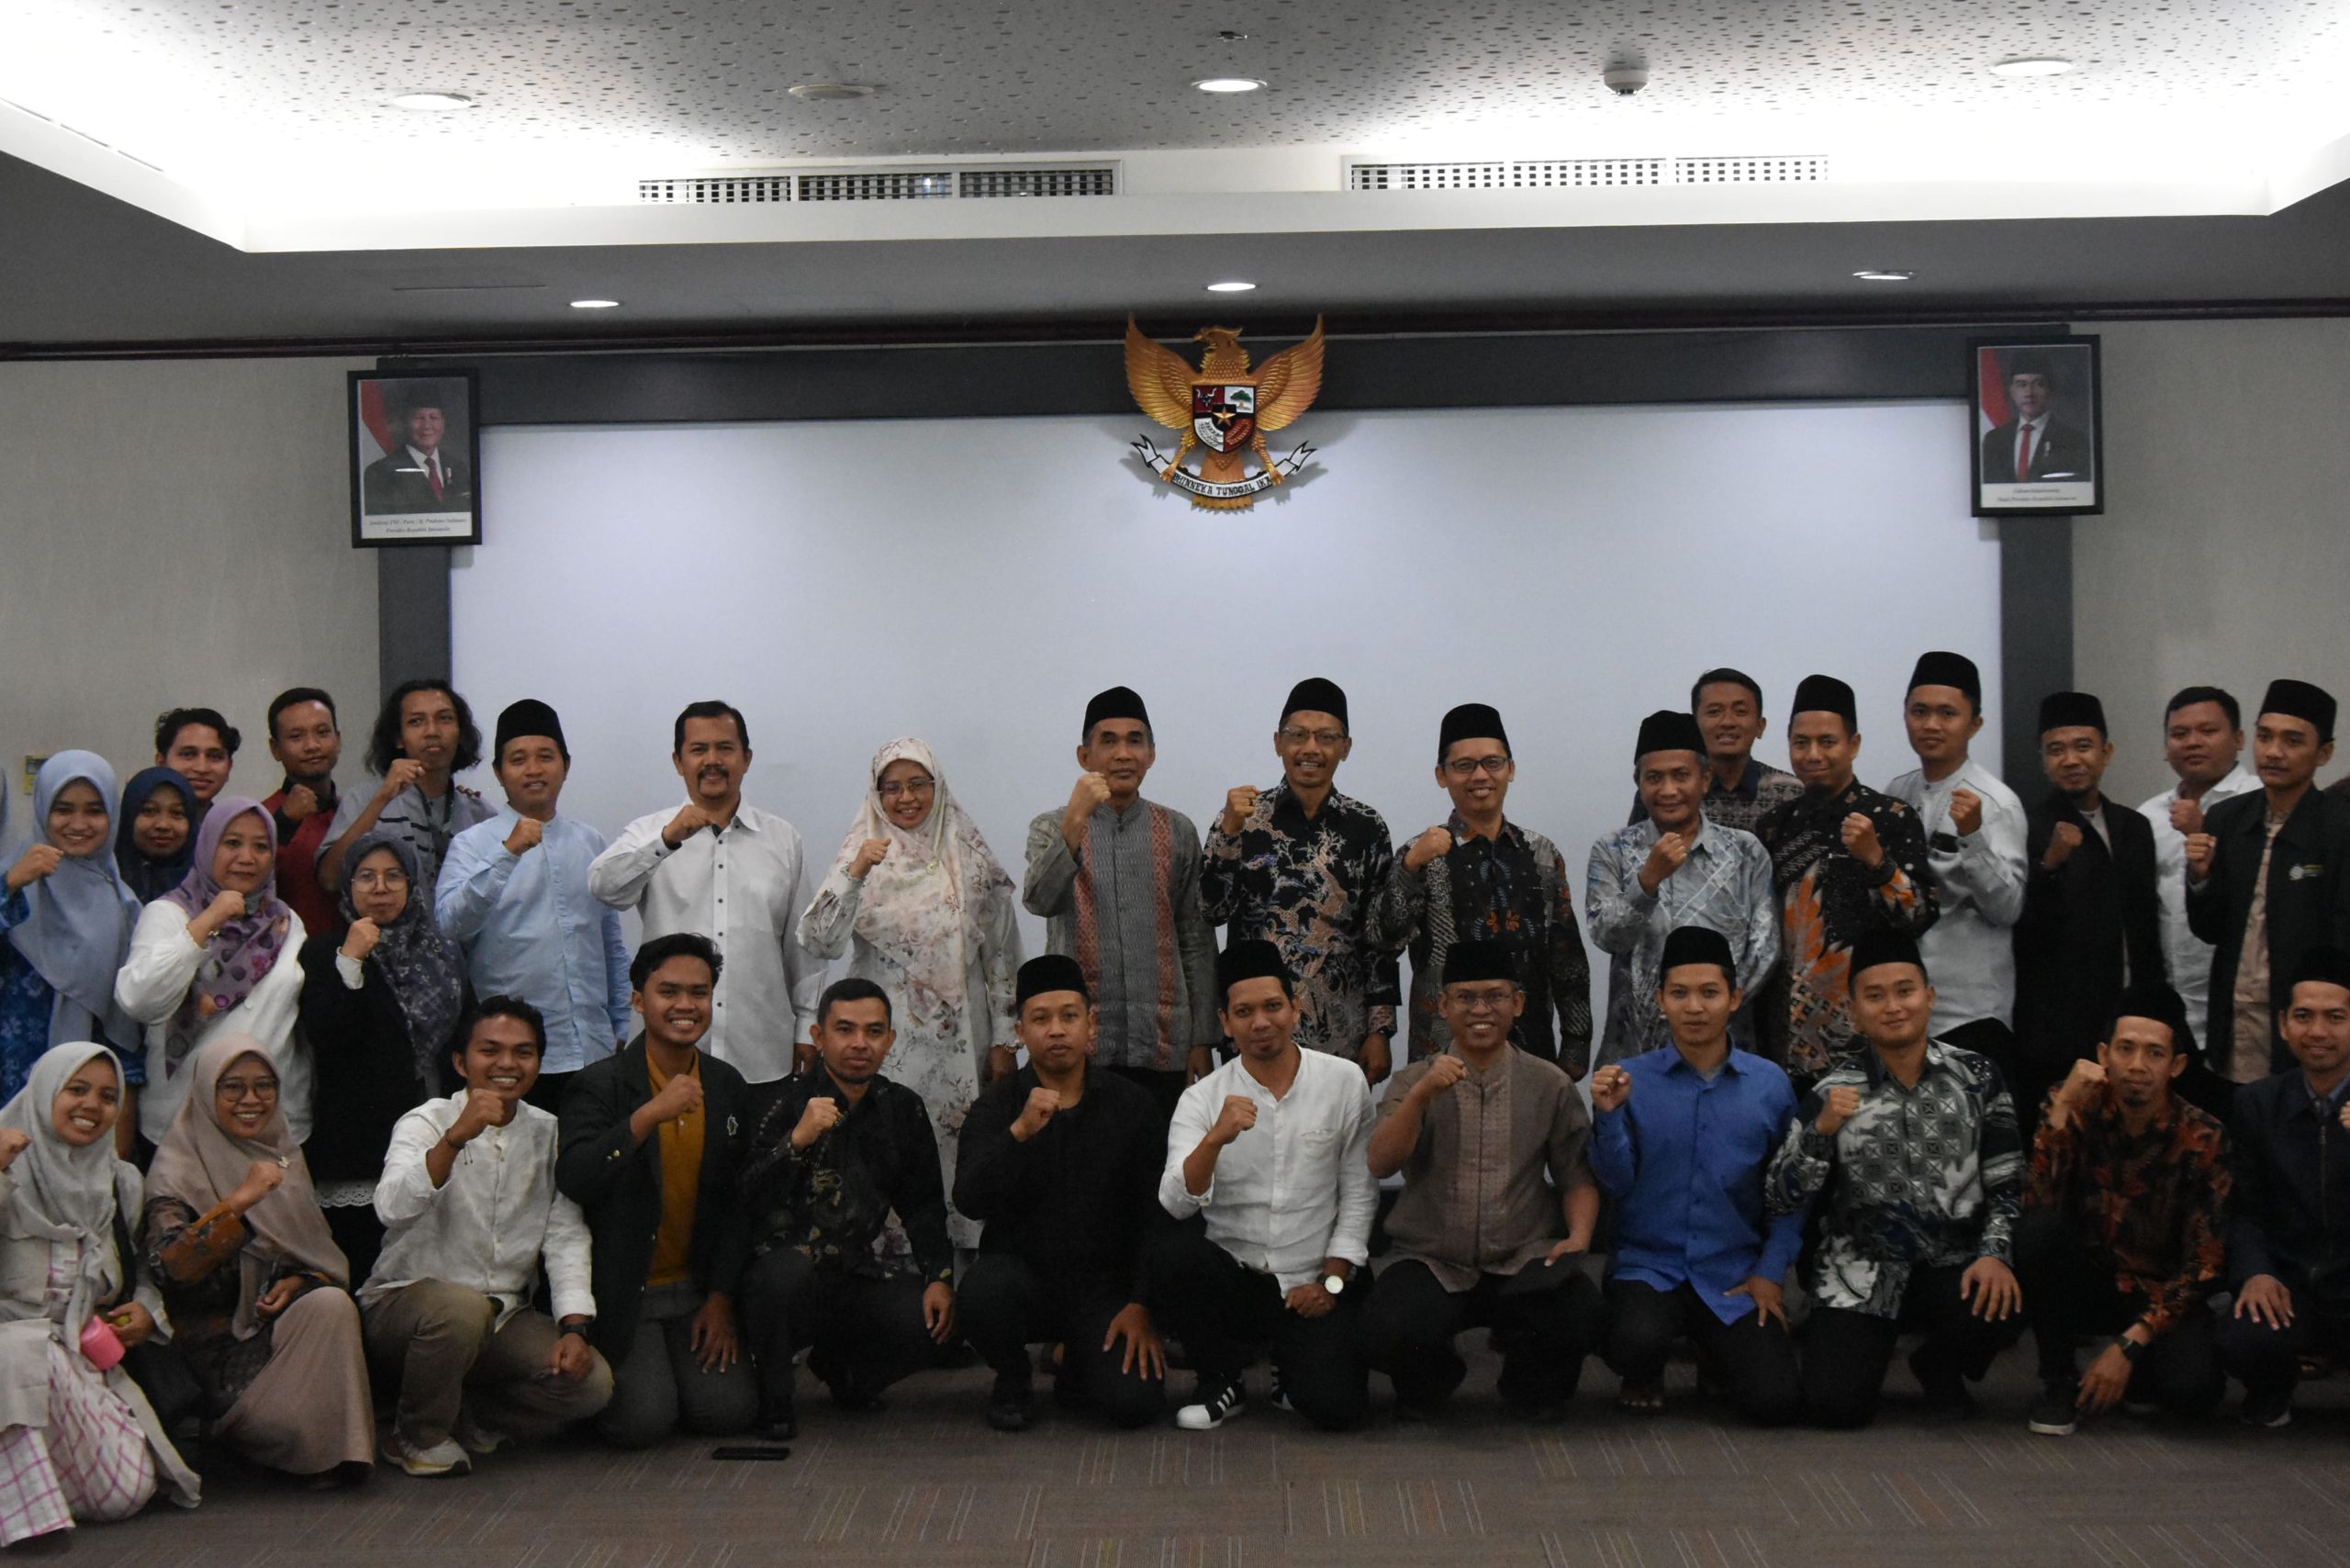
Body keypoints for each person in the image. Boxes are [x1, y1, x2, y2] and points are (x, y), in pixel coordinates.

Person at [1764, 932, 2021, 1427]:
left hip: (1955, 1263)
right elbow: (1779, 1196)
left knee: (2012, 1282)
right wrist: (1819, 1133)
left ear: (1930, 996)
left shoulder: (1979, 1076)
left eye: (1905, 991)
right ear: (1855, 1012)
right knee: (1833, 1408)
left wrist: (1994, 1254)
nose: (1894, 1007)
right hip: (1863, 1268)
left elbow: (2008, 1183)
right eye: (1875, 996)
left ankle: (1939, 1364)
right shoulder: (1831, 1090)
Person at [360, 998, 613, 1476]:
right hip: (405, 1305)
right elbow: (390, 1209)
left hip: (503, 1314)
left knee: (591, 1385)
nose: (506, 1064)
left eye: (523, 1052)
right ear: (460, 1062)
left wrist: (574, 1327)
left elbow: (565, 1237)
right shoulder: (426, 1121)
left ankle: (467, 1414)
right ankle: (416, 1435)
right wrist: (455, 1138)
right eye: (490, 1050)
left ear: (539, 1063)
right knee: (462, 1310)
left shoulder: (550, 1133)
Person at [1361, 941, 1602, 1422]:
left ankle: (1526, 1382)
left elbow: (1576, 1174)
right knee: (1384, 1326)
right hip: (1432, 1258)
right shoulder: (1413, 1081)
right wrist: (1422, 1097)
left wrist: (1578, 1240)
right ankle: (1437, 1377)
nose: (1480, 1010)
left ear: (1518, 1003)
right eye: (1466, 997)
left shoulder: (1549, 1083)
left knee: (1581, 1313)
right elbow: (1381, 1164)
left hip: (1522, 1257)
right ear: (1443, 1005)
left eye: (1495, 996)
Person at [800, 737, 1024, 1251]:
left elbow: (1001, 955)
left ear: (937, 786)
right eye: (892, 787)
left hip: (962, 1041)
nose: (906, 798)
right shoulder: (861, 851)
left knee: (961, 1151)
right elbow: (817, 942)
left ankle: (958, 1273)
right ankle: (886, 1272)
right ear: (876, 794)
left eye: (918, 784)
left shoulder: (970, 855)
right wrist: (856, 872)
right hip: (884, 1043)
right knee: (888, 1149)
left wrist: (1005, 1041)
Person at [1153, 940, 1376, 1431]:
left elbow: (1360, 1192)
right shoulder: (1202, 1098)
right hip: (1235, 1281)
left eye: (1273, 1006)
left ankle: (1289, 1370)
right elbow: (1175, 1203)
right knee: (1174, 1255)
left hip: (1312, 1281)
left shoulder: (1343, 1082)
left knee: (1336, 1408)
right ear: (1225, 1022)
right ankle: (1221, 1378)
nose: (1260, 1023)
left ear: (1295, 1008)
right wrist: (1215, 1139)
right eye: (1244, 1012)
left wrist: (1332, 1282)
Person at [1589, 926, 1804, 1425]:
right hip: (1648, 1266)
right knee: (1631, 1341)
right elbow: (1616, 1185)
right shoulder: (1630, 1078)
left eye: (1709, 993)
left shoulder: (1770, 1085)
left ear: (1734, 998)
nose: (1694, 1007)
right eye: (1680, 993)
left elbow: (1791, 1193)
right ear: (1660, 1000)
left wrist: (1770, 1273)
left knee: (1774, 1402)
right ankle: (1645, 1371)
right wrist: (1608, 1117)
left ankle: (1715, 1356)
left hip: (1733, 1273)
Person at [140, 1036, 375, 1482]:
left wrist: (300, 1281)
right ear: (206, 1093)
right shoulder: (177, 1169)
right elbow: (171, 1270)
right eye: (232, 1087)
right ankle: (238, 1435)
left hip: (270, 1334)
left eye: (264, 1086)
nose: (251, 1100)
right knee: (283, 1423)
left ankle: (331, 1453)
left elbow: (315, 1257)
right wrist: (239, 1203)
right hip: (208, 1356)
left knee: (330, 1305)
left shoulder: (283, 1157)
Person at [555, 934, 756, 1448]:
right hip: (627, 1291)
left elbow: (738, 1203)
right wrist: (647, 1116)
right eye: (669, 992)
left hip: (694, 1291)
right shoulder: (598, 1084)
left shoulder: (727, 1084)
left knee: (728, 1413)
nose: (685, 1005)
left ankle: (673, 1367)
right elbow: (576, 1178)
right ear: (639, 1000)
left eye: (699, 992)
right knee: (642, 1422)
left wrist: (720, 1298)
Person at [954, 956, 1168, 1432]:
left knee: (1134, 1404)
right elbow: (968, 1199)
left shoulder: (1131, 1104)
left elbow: (1157, 1215)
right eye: (1040, 1019)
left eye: (1069, 1016)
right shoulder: (996, 1106)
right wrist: (1019, 1134)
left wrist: (1141, 1304)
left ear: (1091, 1023)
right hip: (1021, 1279)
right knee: (983, 1291)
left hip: (1103, 1287)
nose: (1056, 1030)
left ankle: (1076, 1363)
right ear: (1021, 1031)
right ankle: (1013, 1378)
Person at [735, 979, 956, 1441]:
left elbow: (923, 1205)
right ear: (819, 1037)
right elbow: (741, 1198)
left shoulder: (902, 1108)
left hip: (853, 1272)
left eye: (873, 1032)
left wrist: (939, 1277)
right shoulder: (780, 1102)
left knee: (936, 1318)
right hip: (777, 1278)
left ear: (890, 1040)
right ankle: (774, 1396)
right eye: (845, 1030)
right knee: (786, 1276)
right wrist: (796, 1142)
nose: (860, 1043)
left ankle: (846, 1370)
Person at [0, 1043, 198, 1549]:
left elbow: (141, 1272)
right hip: (9, 1356)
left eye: (108, 1097)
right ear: (44, 1093)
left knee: (125, 1492)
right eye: (77, 1090)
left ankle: (30, 1491)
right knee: (20, 1348)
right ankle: (29, 1522)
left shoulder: (119, 1183)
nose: (92, 1105)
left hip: (80, 1357)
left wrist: (146, 1312)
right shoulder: (5, 1164)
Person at [2016, 985, 2227, 1437]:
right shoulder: (2072, 1102)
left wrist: (2131, 1344)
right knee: (2039, 1233)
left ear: (2176, 1066)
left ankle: (2135, 1370)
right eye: (2125, 1049)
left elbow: (2206, 1261)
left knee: (2194, 1392)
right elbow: (2035, 1205)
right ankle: (2058, 1381)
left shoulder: (2202, 1136)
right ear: (2103, 1055)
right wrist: (2062, 1109)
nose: (2136, 1066)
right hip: (2087, 1282)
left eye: (2154, 1053)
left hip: (2158, 1292)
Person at [589, 701, 822, 1087]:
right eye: (698, 750)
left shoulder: (783, 840)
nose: (712, 760)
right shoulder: (650, 832)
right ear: (678, 762)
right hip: (666, 1059)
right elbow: (604, 888)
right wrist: (666, 840)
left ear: (746, 759)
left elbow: (803, 947)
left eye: (725, 748)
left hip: (761, 1054)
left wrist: (806, 1027)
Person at [1021, 687, 1220, 1122]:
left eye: (1135, 740)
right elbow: (1039, 900)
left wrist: (1202, 1038)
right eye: (1108, 741)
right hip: (1080, 1046)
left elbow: (1196, 938)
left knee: (1160, 1158)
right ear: (1084, 755)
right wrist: (1075, 821)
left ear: (1151, 754)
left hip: (1164, 1042)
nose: (1123, 754)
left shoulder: (1178, 830)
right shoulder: (1051, 827)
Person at [1371, 702, 1594, 1070]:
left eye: (1492, 763)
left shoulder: (1541, 853)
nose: (1480, 776)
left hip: (1532, 1052)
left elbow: (1566, 956)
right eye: (1464, 765)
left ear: (1511, 769)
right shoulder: (1421, 853)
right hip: (1441, 1055)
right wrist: (1410, 869)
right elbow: (1383, 940)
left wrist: (1576, 1040)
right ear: (1441, 775)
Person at [1203, 678, 1404, 1081]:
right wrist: (1228, 832)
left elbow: (1378, 938)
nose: (1311, 748)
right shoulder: (1244, 818)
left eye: (1326, 737)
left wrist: (1380, 1029)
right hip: (1254, 1033)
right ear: (1278, 742)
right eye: (1298, 735)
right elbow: (1211, 911)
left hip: (1340, 1034)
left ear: (1345, 748)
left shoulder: (1366, 827)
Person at [435, 700, 629, 1113]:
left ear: (566, 765)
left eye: (545, 757)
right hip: (511, 1059)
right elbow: (450, 925)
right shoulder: (472, 845)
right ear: (499, 772)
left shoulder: (591, 842)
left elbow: (609, 944)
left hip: (592, 1050)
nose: (534, 769)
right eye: (519, 759)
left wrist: (620, 1025)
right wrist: (507, 854)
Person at [297, 830, 469, 1285]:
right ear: (348, 885)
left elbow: (462, 1039)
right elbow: (325, 1035)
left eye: (394, 876)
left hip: (433, 1130)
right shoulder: (323, 951)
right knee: (360, 1272)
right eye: (366, 876)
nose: (380, 888)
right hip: (358, 1142)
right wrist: (351, 961)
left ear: (412, 884)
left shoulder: (443, 951)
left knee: (430, 1276)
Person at [1754, 674, 1939, 1081]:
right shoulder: (1773, 826)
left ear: (1853, 745)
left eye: (1827, 742)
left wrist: (1878, 862)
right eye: (1801, 743)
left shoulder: (1891, 818)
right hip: (1782, 1039)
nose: (1813, 755)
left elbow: (1920, 918)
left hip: (1869, 1038)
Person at [1585, 711, 1778, 1066]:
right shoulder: (1612, 851)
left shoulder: (1745, 852)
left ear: (1705, 779)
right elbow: (1608, 937)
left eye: (1681, 776)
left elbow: (1764, 950)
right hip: (1635, 1053)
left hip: (1727, 1053)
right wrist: (1647, 881)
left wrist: (1708, 1012)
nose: (1668, 790)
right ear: (1639, 782)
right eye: (1654, 778)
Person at [116, 799, 310, 1148]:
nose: (247, 857)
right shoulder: (169, 914)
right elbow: (139, 1001)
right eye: (232, 843)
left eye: (261, 847)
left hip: (272, 1120)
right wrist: (206, 923)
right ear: (206, 846)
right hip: (182, 1123)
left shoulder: (286, 922)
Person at [2187, 679, 2350, 1086]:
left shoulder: (2340, 828)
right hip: (2234, 1015)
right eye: (2265, 737)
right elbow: (2209, 929)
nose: (2274, 752)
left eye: (2292, 741)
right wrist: (2200, 877)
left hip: (2309, 1029)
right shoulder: (2226, 818)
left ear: (2324, 753)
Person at [2013, 691, 2165, 1129]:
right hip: (2057, 1031)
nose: (2071, 760)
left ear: (2106, 752)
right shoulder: (2029, 826)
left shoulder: (2135, 827)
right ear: (2043, 760)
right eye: (2056, 750)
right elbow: (2025, 932)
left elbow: (2146, 929)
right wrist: (2050, 863)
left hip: (2129, 1025)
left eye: (2083, 746)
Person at [2219, 946, 2350, 1428]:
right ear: (2283, 1025)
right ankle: (2272, 1388)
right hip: (2292, 1283)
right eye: (2304, 1016)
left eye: (2335, 1018)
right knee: (2241, 1337)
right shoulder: (2258, 1104)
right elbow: (2244, 1209)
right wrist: (2255, 1272)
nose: (2318, 1032)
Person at [1886, 653, 2028, 1070]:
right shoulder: (1897, 793)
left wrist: (1973, 838)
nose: (1931, 724)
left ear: (1975, 723)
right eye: (1920, 711)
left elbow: (2008, 909)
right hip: (1907, 1009)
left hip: (1972, 1013)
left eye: (1947, 713)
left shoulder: (1996, 801)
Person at [3, 755, 141, 1103]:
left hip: (87, 1088)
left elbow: (123, 1013)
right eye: (63, 809)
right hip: (11, 1077)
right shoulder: (14, 881)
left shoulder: (122, 902)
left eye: (94, 811)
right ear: (42, 809)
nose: (79, 824)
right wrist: (11, 884)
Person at [2136, 687, 2258, 1041]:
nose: (2193, 742)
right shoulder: (2150, 815)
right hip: (2169, 1006)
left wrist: (2200, 831)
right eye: (2179, 733)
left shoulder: (2258, 801)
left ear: (2239, 739)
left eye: (2208, 731)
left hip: (2242, 1002)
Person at [317, 679, 494, 897]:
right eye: (416, 722)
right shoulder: (364, 799)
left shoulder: (479, 813)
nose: (432, 731)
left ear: (461, 733)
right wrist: (382, 799)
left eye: (445, 719)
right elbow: (330, 878)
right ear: (398, 738)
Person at [1628, 668, 1803, 834]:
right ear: (1694, 725)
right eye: (1714, 712)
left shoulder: (1790, 792)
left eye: (1740, 712)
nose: (1727, 722)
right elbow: (1634, 849)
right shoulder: (1665, 795)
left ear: (1760, 726)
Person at [260, 689, 343, 937]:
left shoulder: (354, 812)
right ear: (275, 748)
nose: (312, 746)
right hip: (285, 954)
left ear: (338, 740)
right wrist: (284, 822)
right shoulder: (259, 818)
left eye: (323, 732)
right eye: (296, 736)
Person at [1978, 350, 2093, 486]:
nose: (2029, 393)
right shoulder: (1994, 440)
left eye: (2038, 384)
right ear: (2012, 391)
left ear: (2050, 389)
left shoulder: (2074, 441)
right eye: (2021, 385)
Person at [362, 388, 472, 514]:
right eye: (419, 417)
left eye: (434, 417)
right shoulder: (380, 472)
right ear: (405, 422)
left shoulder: (458, 468)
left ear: (443, 423)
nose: (427, 426)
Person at [114, 767, 196, 904]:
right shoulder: (105, 880)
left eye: (177, 813)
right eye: (149, 811)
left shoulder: (208, 887)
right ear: (129, 816)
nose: (163, 825)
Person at [152, 709, 238, 816]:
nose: (202, 768)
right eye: (188, 754)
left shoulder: (230, 825)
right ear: (161, 763)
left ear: (229, 767)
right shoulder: (139, 823)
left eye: (215, 756)